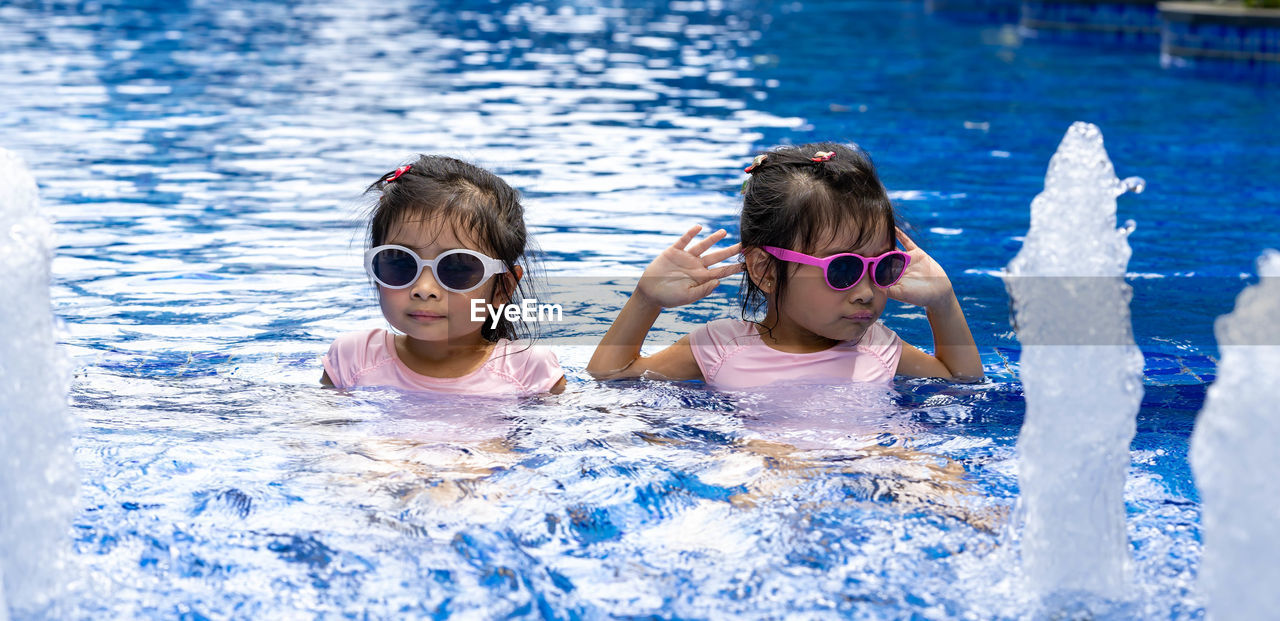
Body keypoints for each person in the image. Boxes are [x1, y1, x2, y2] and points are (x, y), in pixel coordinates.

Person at [586, 142, 982, 389]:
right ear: (765, 270)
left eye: (882, 267)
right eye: (842, 269)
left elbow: (962, 380)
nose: (866, 292)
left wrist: (942, 303)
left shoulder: (878, 346)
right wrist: (645, 300)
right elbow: (610, 376)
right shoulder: (719, 347)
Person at [321, 155, 565, 395]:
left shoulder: (527, 370)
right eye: (401, 262)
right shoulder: (353, 359)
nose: (424, 288)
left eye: (457, 268)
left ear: (502, 288)